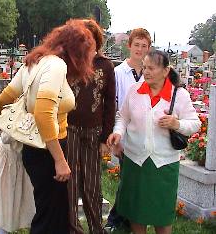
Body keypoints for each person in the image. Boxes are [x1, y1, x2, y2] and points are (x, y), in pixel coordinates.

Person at [0, 20, 96, 234]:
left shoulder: (35, 62)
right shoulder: (57, 65)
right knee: (50, 217)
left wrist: (11, 127)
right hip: (48, 149)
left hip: (35, 147)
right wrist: (60, 161)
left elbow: (4, 99)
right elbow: (43, 112)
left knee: (49, 211)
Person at [107, 50, 201, 234]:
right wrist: (118, 133)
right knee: (135, 212)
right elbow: (123, 117)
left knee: (162, 214)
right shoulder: (135, 91)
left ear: (165, 71)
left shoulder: (179, 95)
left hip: (164, 165)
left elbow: (195, 124)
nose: (146, 72)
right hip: (135, 162)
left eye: (151, 68)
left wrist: (177, 123)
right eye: (144, 67)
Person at [66, 19, 116, 234]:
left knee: (92, 185)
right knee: (70, 184)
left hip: (94, 132)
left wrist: (106, 138)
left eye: (91, 39)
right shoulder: (68, 62)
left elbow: (109, 104)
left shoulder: (106, 66)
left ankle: (97, 228)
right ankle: (72, 229)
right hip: (68, 129)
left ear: (97, 41)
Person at [105, 28, 151, 232]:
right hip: (123, 131)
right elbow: (113, 106)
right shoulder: (118, 73)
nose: (139, 50)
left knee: (139, 181)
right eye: (136, 45)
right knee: (127, 179)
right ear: (129, 46)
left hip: (145, 136)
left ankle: (130, 218)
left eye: (144, 46)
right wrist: (116, 139)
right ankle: (116, 219)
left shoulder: (151, 72)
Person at [0, 132, 35, 234]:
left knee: (26, 198)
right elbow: (6, 137)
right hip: (8, 156)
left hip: (19, 155)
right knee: (5, 198)